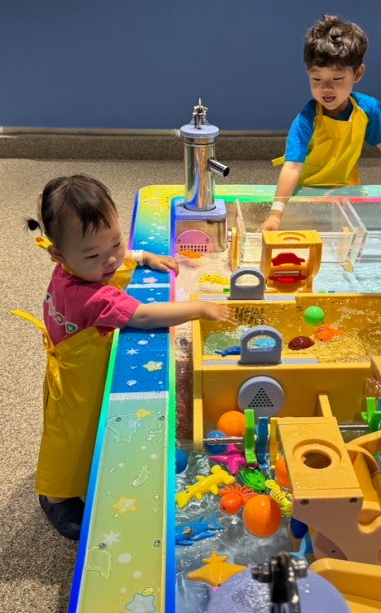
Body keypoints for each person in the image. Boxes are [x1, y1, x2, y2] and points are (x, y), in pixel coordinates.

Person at [21, 174, 232, 540]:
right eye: (94, 255)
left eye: (116, 242)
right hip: (78, 379)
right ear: (58, 254)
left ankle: (73, 479)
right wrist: (200, 308)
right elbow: (144, 316)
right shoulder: (94, 296)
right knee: (69, 438)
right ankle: (55, 497)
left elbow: (110, 256)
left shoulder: (71, 267)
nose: (110, 259)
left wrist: (143, 256)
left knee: (75, 433)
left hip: (72, 364)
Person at [261, 15, 381, 231]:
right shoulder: (306, 119)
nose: (326, 88)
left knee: (348, 239)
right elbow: (292, 166)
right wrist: (276, 213)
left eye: (337, 79)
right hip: (307, 191)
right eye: (317, 79)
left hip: (347, 189)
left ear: (357, 74)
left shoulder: (368, 109)